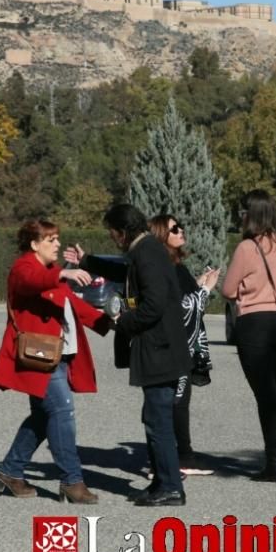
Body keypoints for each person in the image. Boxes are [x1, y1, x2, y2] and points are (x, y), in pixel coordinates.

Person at [72, 204, 192, 506]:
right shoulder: (145, 250)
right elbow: (126, 273)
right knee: (154, 417)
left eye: (112, 232)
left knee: (158, 420)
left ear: (122, 231)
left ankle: (171, 488)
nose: (112, 238)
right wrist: (88, 261)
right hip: (161, 349)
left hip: (160, 350)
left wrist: (121, 322)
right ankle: (162, 482)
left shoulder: (148, 252)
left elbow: (153, 305)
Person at [0, 219, 113, 504]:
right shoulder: (25, 267)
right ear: (34, 244)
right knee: (62, 411)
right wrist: (64, 275)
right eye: (51, 240)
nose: (57, 244)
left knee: (43, 417)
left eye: (57, 239)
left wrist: (111, 322)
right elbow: (31, 282)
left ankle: (10, 472)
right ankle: (72, 481)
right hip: (40, 357)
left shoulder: (49, 272)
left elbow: (74, 305)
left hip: (55, 355)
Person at [221, 189, 276, 482]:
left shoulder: (247, 248)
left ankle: (273, 463)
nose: (239, 218)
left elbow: (228, 290)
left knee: (265, 395)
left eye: (242, 213)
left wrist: (246, 291)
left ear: (251, 214)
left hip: (256, 322)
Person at [148, 214, 220, 476]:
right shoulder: (166, 265)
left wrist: (199, 282)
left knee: (179, 400)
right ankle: (177, 459)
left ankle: (181, 455)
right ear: (161, 236)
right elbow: (182, 308)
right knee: (175, 401)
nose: (181, 231)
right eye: (174, 229)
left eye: (180, 227)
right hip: (174, 346)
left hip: (180, 347)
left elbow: (184, 296)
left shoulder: (176, 264)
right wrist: (206, 290)